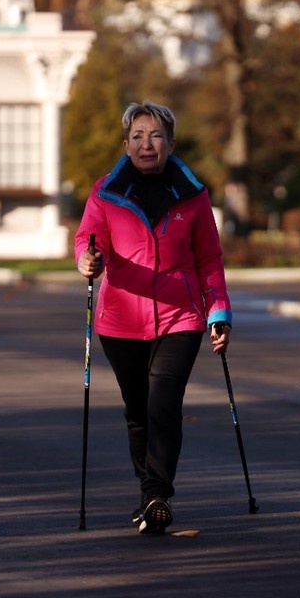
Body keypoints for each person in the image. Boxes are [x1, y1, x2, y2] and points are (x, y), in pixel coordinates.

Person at [75, 100, 232, 536]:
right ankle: (150, 493)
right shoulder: (105, 192)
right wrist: (89, 260)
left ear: (172, 143)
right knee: (138, 410)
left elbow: (210, 259)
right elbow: (88, 240)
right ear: (126, 145)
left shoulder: (193, 195)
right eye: (139, 136)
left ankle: (157, 493)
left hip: (181, 317)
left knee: (164, 405)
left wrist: (219, 311)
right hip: (120, 319)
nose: (148, 144)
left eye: (157, 135)